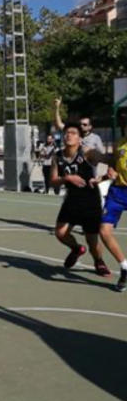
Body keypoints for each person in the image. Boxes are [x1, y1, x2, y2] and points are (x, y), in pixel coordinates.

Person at [50, 122, 111, 277]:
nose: (69, 135)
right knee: (60, 233)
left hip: (90, 201)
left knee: (92, 240)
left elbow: (109, 160)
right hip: (71, 200)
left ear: (79, 139)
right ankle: (76, 249)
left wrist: (104, 176)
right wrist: (67, 178)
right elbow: (53, 180)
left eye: (73, 133)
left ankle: (99, 261)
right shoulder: (57, 157)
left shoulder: (87, 153)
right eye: (67, 133)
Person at [98, 114, 127, 292]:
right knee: (104, 229)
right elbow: (116, 164)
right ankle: (125, 267)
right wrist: (109, 170)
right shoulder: (120, 143)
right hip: (118, 192)